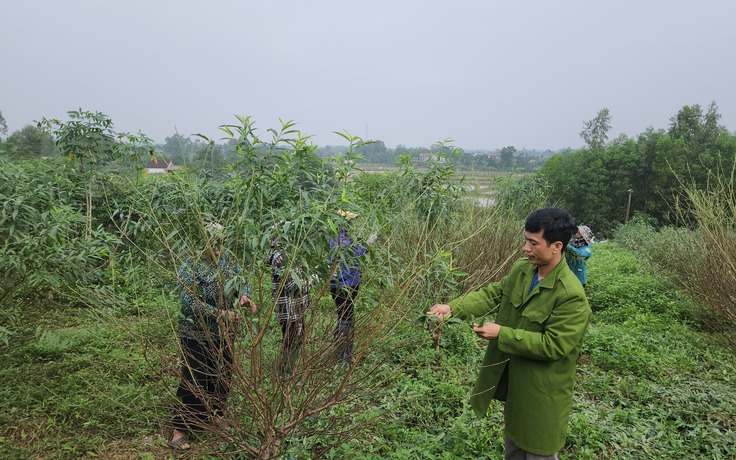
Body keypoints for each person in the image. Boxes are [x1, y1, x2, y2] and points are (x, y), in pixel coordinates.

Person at [428, 207, 591, 459]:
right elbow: (493, 294)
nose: (526, 248)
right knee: (514, 444)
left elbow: (554, 346)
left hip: (543, 391)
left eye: (533, 242)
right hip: (516, 382)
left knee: (539, 449)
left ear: (557, 246)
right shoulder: (523, 270)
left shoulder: (570, 295)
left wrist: (502, 334)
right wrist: (452, 308)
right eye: (526, 240)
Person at [169, 222, 257, 451]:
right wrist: (221, 314)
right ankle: (179, 428)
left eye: (220, 242)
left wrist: (244, 296)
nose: (217, 247)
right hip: (195, 331)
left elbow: (241, 280)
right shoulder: (192, 265)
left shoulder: (228, 262)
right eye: (213, 242)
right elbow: (189, 302)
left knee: (222, 375)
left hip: (224, 333)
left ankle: (215, 415)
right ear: (204, 242)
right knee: (194, 376)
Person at [328, 210, 375, 366]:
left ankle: (338, 348)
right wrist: (371, 241)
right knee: (347, 318)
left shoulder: (331, 238)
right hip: (347, 285)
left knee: (343, 316)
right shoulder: (346, 242)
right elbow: (360, 254)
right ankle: (343, 356)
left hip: (334, 285)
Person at [267, 238, 311, 376]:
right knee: (291, 340)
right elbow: (292, 285)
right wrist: (313, 279)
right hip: (288, 309)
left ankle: (289, 369)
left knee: (298, 337)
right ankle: (285, 373)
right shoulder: (280, 257)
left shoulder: (292, 252)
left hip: (298, 306)